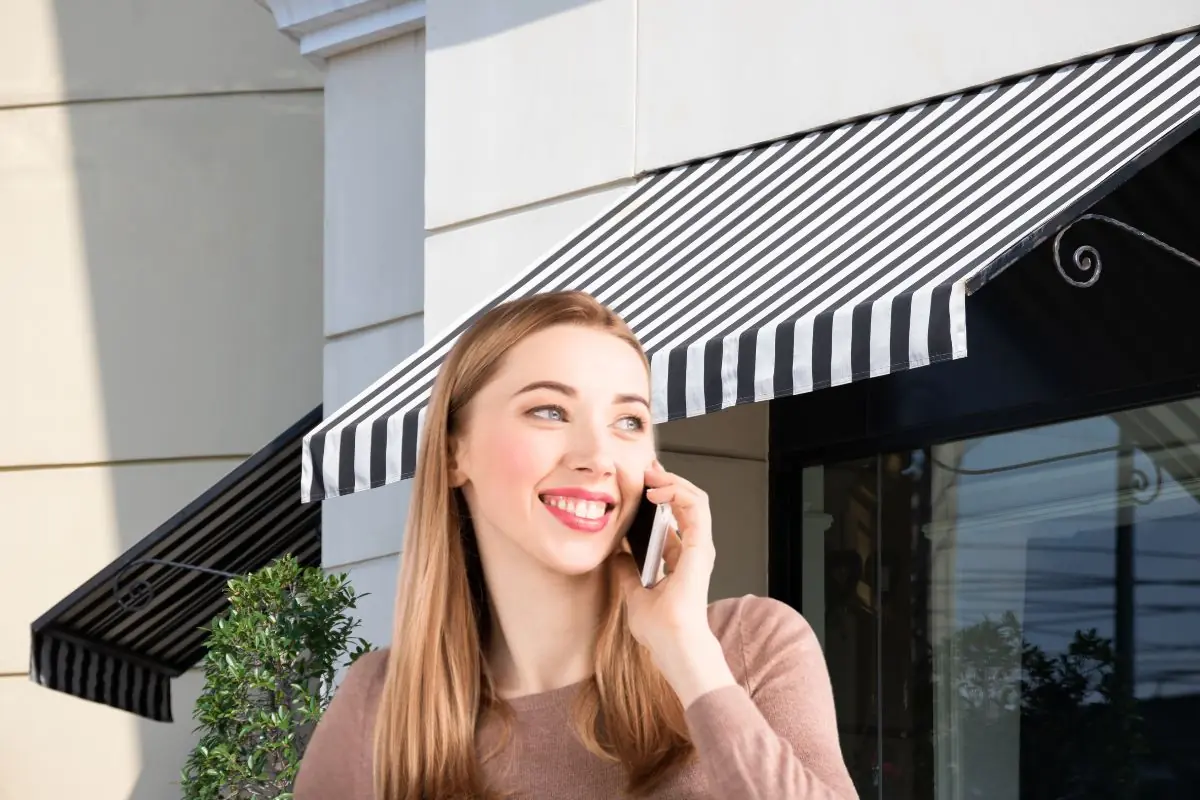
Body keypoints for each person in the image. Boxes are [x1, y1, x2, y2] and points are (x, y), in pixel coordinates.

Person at [294, 291, 857, 799]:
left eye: (629, 421)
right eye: (549, 411)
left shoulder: (750, 648)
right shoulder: (381, 705)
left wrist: (688, 654)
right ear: (452, 454)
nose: (597, 455)